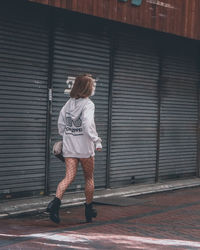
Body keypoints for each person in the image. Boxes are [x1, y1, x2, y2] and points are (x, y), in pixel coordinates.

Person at [46, 74, 102, 224]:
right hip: (84, 149)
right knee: (89, 178)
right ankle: (89, 209)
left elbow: (61, 124)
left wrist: (68, 135)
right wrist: (96, 140)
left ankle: (55, 204)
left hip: (70, 148)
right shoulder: (88, 104)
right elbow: (88, 124)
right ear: (87, 88)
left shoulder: (68, 103)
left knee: (68, 177)